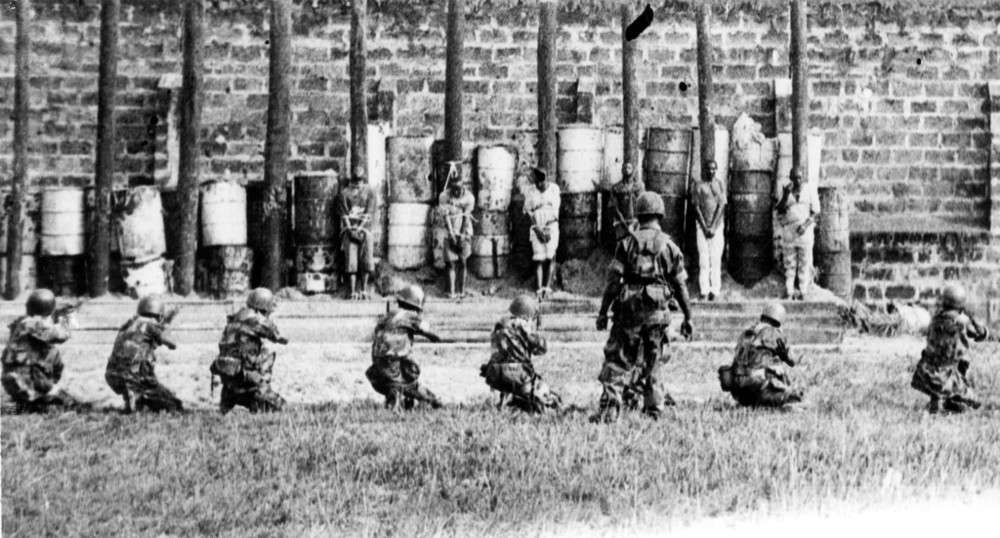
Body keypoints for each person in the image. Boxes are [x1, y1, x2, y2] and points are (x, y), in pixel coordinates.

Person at [592, 192, 694, 423]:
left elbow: (613, 282)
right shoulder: (670, 246)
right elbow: (680, 286)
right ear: (660, 214)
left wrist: (603, 312)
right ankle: (654, 409)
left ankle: (610, 409)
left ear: (638, 214)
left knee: (617, 359)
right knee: (654, 361)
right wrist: (688, 317)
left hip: (629, 312)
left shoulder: (626, 244)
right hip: (657, 314)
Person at [1, 289, 85, 412]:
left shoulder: (22, 322)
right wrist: (67, 318)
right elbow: (59, 336)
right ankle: (14, 407)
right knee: (64, 404)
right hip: (26, 379)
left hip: (15, 378)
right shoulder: (32, 323)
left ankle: (16, 405)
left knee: (33, 402)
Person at [911, 284, 988, 414]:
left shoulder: (935, 318)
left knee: (947, 374)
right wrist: (976, 322)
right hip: (945, 373)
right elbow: (978, 334)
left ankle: (941, 400)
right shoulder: (962, 321)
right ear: (962, 304)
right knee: (974, 401)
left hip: (925, 370)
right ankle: (944, 401)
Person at [211, 288, 289, 413]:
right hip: (245, 373)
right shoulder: (255, 319)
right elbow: (279, 337)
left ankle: (231, 399)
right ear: (264, 306)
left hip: (226, 373)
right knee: (266, 353)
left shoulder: (235, 317)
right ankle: (260, 393)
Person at [367, 284, 444, 410]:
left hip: (377, 359)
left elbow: (376, 332)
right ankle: (422, 399)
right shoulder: (411, 317)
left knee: (397, 377)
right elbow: (433, 334)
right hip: (394, 358)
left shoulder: (387, 316)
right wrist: (433, 336)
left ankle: (401, 396)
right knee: (409, 377)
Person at [480, 294, 561, 413]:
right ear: (527, 315)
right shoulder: (523, 326)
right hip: (518, 374)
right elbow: (542, 349)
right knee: (543, 394)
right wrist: (534, 332)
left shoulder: (499, 325)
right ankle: (527, 402)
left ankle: (506, 400)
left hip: (494, 373)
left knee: (509, 383)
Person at [105, 295, 183, 413]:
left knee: (131, 369)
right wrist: (166, 326)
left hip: (112, 374)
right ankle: (137, 398)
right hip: (137, 376)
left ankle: (131, 396)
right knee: (174, 404)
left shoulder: (127, 324)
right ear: (159, 315)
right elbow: (172, 344)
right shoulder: (151, 325)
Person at [718, 302, 803, 407]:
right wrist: (784, 357)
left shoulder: (747, 332)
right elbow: (793, 361)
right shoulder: (773, 333)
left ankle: (753, 401)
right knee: (794, 393)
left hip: (738, 390)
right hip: (758, 387)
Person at [776, 167, 819, 300]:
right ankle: (789, 291)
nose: (797, 181)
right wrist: (785, 195)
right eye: (795, 178)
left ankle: (803, 290)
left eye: (799, 178)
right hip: (790, 232)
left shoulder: (809, 190)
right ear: (791, 178)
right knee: (790, 263)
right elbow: (779, 210)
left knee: (804, 262)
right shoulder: (786, 191)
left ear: (803, 178)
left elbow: (816, 212)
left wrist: (805, 225)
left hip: (804, 232)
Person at [435, 162, 474, 299]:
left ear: (463, 187)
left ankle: (461, 291)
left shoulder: (469, 197)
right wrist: (451, 234)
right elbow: (445, 217)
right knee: (450, 263)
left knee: (463, 261)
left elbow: (466, 217)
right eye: (454, 189)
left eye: (459, 189)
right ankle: (451, 291)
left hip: (464, 231)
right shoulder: (444, 196)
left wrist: (462, 235)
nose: (456, 192)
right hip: (449, 230)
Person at [338, 164, 376, 300]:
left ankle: (364, 290)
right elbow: (344, 215)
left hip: (365, 229)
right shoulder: (344, 193)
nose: (357, 185)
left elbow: (369, 212)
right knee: (351, 259)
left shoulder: (370, 192)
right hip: (349, 229)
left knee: (367, 259)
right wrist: (350, 229)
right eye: (355, 182)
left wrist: (359, 228)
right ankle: (352, 291)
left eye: (360, 182)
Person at [522, 166, 560, 299]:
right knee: (539, 258)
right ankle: (539, 289)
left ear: (546, 179)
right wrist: (537, 228)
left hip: (551, 226)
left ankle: (547, 287)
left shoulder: (554, 189)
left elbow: (555, 211)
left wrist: (548, 228)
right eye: (537, 182)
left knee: (550, 256)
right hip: (536, 226)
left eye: (541, 182)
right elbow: (528, 211)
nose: (539, 185)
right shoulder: (531, 191)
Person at [692, 159, 726, 301]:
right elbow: (696, 207)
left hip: (716, 228)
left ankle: (715, 290)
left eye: (713, 169)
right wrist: (705, 227)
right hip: (702, 228)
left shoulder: (719, 184)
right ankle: (704, 290)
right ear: (704, 170)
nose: (711, 171)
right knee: (704, 260)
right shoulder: (698, 186)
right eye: (708, 169)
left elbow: (721, 205)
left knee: (716, 259)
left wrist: (713, 227)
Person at [607, 162, 641, 244]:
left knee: (635, 245)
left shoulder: (639, 186)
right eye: (625, 168)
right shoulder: (616, 188)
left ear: (633, 170)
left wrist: (635, 222)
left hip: (636, 222)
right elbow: (614, 207)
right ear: (622, 170)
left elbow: (642, 204)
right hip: (621, 222)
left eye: (629, 168)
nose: (627, 170)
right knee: (622, 245)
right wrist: (624, 223)